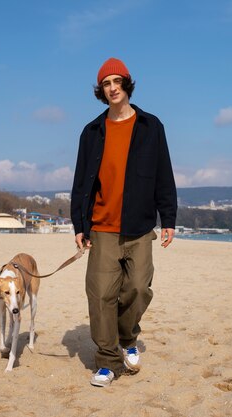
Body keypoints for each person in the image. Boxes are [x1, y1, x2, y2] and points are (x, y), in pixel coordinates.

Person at [70, 57, 177, 387]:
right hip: (101, 227)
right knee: (101, 295)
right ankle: (106, 361)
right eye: (106, 83)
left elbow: (163, 174)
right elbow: (79, 182)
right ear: (101, 90)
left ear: (126, 85)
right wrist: (79, 225)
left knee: (138, 289)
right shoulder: (91, 132)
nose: (113, 88)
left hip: (140, 226)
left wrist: (168, 217)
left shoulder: (151, 126)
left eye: (117, 81)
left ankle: (127, 338)